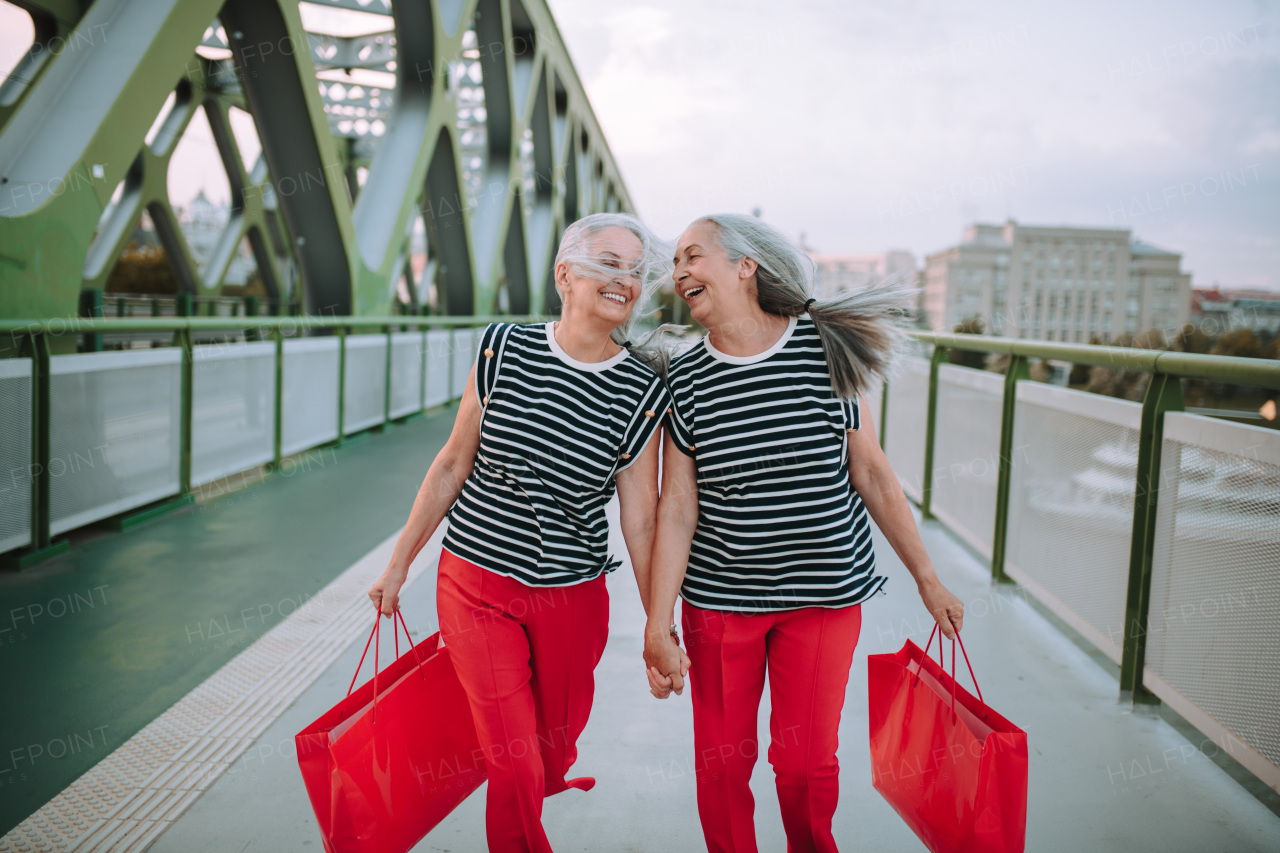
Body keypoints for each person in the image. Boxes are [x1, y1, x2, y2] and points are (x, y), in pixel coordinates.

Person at [643, 213, 965, 853]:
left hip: (822, 598)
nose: (679, 272)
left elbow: (870, 471)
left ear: (746, 266)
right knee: (723, 764)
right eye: (674, 262)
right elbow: (677, 505)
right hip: (721, 602)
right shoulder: (683, 377)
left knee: (804, 768)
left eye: (693, 255)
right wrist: (658, 621)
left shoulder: (825, 349)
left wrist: (928, 578)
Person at [368, 213, 673, 853]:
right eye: (609, 264)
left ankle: (540, 782)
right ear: (565, 274)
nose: (625, 281)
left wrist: (655, 624)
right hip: (476, 582)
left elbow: (640, 519)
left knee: (550, 749)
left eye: (636, 271)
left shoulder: (644, 389)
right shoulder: (503, 347)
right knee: (516, 762)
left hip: (573, 594)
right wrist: (399, 564)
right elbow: (454, 460)